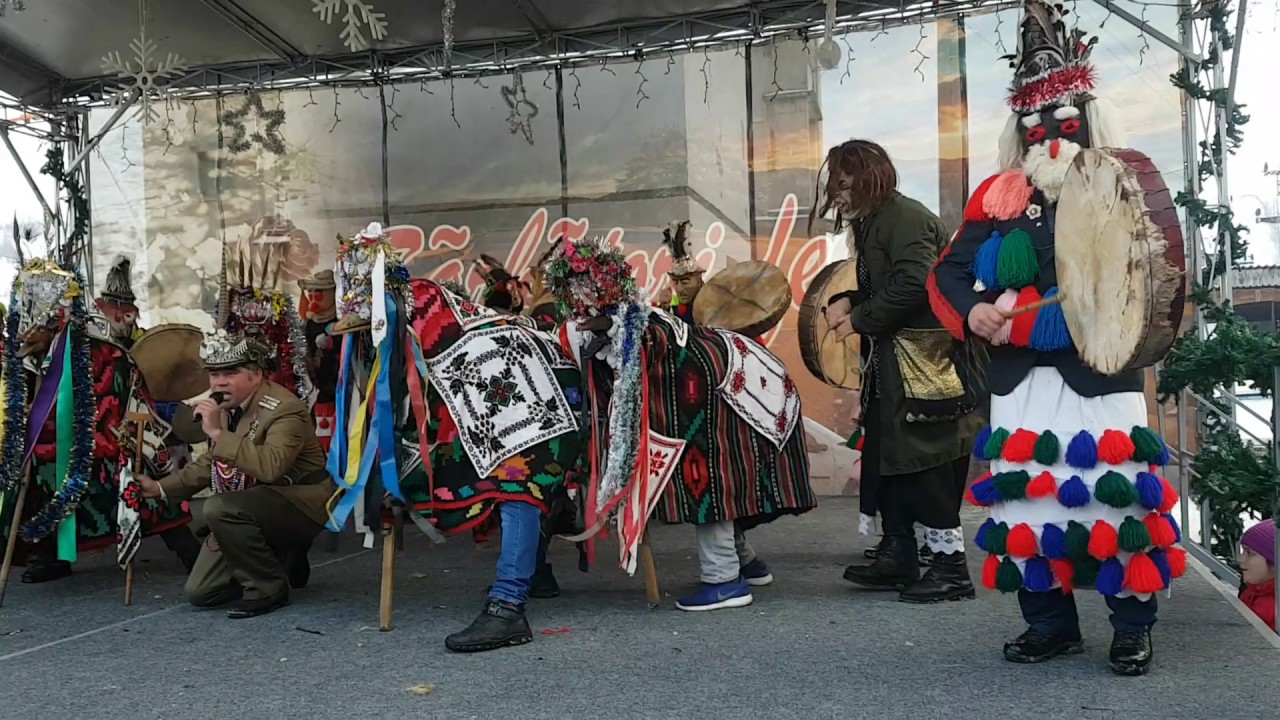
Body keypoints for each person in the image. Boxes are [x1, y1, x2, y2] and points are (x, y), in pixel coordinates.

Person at [929, 0, 1187, 675]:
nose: (1049, 135)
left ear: (1086, 119)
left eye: (1063, 121)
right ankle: (1050, 624)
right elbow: (947, 273)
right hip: (1019, 382)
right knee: (1028, 503)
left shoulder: (1117, 184)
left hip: (1100, 377)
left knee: (1119, 498)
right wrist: (972, 315)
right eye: (1035, 122)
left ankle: (1132, 625)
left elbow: (1154, 270)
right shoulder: (995, 197)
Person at [546, 238, 816, 612]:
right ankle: (746, 562)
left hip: (716, 410)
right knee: (713, 481)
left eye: (582, 301)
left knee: (709, 481)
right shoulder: (638, 327)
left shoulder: (645, 330)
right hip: (716, 401)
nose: (576, 313)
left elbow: (645, 351)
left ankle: (724, 581)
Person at [813, 139, 982, 604]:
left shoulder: (904, 217)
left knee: (925, 458)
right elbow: (894, 284)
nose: (837, 192)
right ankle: (900, 551)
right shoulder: (876, 222)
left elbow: (914, 283)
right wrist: (850, 301)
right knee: (891, 457)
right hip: (900, 360)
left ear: (869, 178)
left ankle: (950, 569)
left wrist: (859, 320)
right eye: (835, 183)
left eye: (844, 182)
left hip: (924, 362)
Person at [133, 330, 332, 619]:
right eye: (214, 374)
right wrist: (159, 488)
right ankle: (280, 556)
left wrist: (215, 432)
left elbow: (270, 466)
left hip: (299, 500)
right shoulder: (227, 406)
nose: (219, 382)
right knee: (201, 592)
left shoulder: (285, 408)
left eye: (230, 373)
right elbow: (213, 462)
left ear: (256, 375)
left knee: (219, 507)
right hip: (254, 500)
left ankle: (267, 587)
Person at [1239, 519, 1276, 632]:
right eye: (1243, 552)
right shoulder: (1255, 592)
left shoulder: (1271, 609)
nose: (1240, 559)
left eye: (1250, 553)